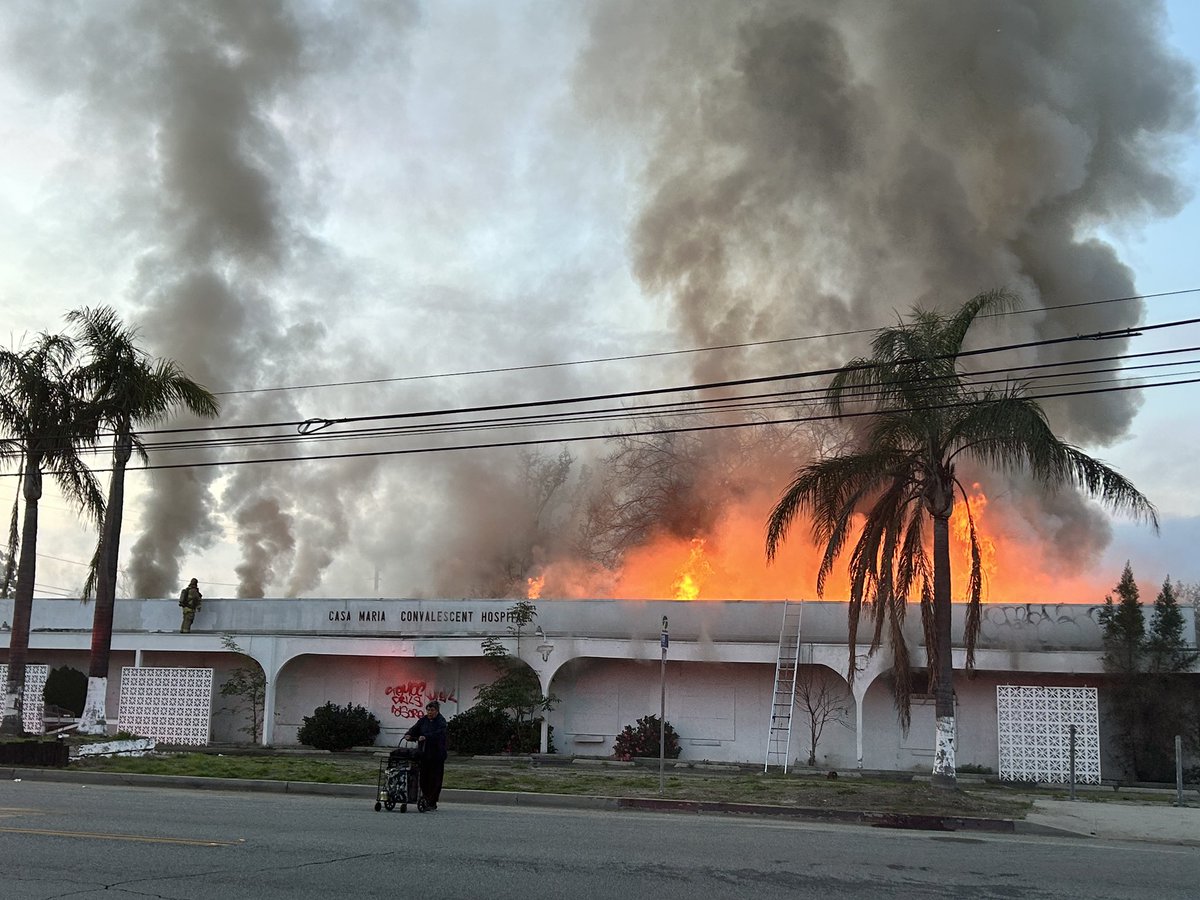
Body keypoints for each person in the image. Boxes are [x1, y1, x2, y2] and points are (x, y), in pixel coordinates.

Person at [403, 700, 448, 810]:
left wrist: (426, 736)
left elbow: (439, 734)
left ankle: (432, 801)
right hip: (424, 753)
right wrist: (409, 734)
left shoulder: (441, 722)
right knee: (423, 778)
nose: (429, 712)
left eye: (432, 710)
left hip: (437, 754)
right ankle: (425, 798)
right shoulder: (423, 720)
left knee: (435, 779)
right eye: (428, 710)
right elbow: (415, 729)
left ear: (437, 711)